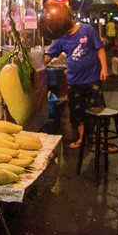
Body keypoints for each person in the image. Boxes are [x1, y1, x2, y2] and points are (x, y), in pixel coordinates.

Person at [44, 20, 108, 149]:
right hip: (74, 81)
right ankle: (82, 139)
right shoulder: (60, 38)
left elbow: (100, 49)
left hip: (92, 78)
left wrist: (104, 68)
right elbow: (49, 56)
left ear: (70, 20)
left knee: (99, 109)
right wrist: (34, 65)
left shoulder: (87, 30)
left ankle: (103, 140)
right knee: (77, 112)